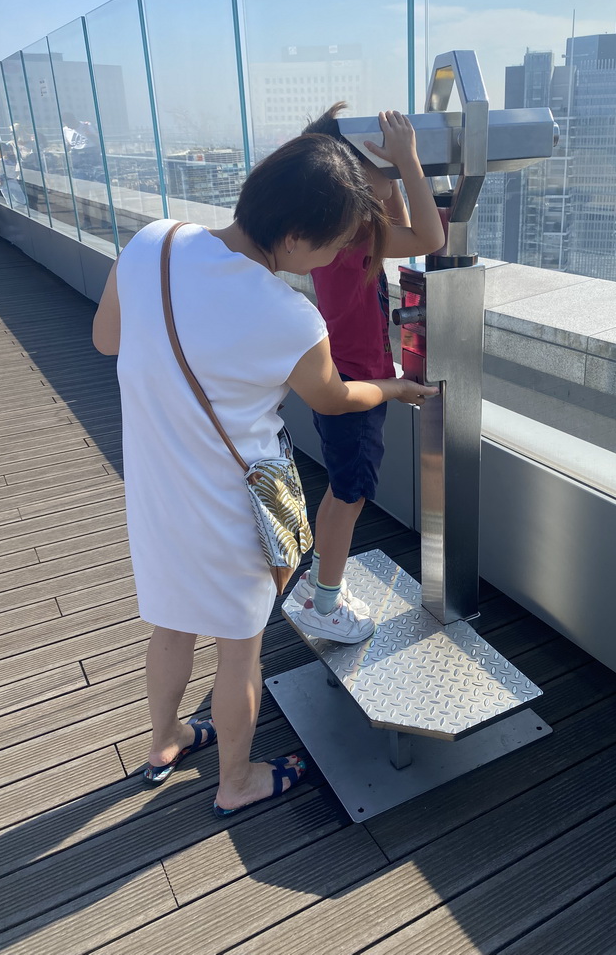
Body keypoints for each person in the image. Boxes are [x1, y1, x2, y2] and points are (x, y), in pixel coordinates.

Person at [92, 131, 438, 817]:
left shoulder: (153, 242)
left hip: (155, 494)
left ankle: (166, 740)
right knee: (238, 652)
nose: (339, 256)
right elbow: (335, 397)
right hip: (230, 507)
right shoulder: (289, 316)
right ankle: (237, 778)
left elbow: (108, 340)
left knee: (170, 626)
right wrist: (394, 391)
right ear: (296, 234)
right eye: (334, 242)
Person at [287, 105, 445, 639]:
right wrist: (409, 160)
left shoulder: (343, 233)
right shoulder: (353, 237)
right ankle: (324, 605)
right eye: (374, 158)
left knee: (340, 491)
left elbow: (400, 227)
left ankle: (317, 582)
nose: (390, 170)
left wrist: (390, 177)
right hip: (355, 389)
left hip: (352, 377)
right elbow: (427, 238)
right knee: (350, 496)